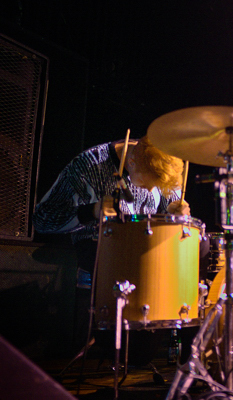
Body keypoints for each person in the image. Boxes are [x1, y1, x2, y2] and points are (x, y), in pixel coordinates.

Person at [33, 134, 191, 351]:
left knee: (197, 249)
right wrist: (91, 211)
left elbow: (169, 204)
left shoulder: (162, 165)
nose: (148, 191)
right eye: (147, 184)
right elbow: (42, 220)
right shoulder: (88, 166)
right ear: (131, 162)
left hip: (146, 245)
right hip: (98, 244)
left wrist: (175, 212)